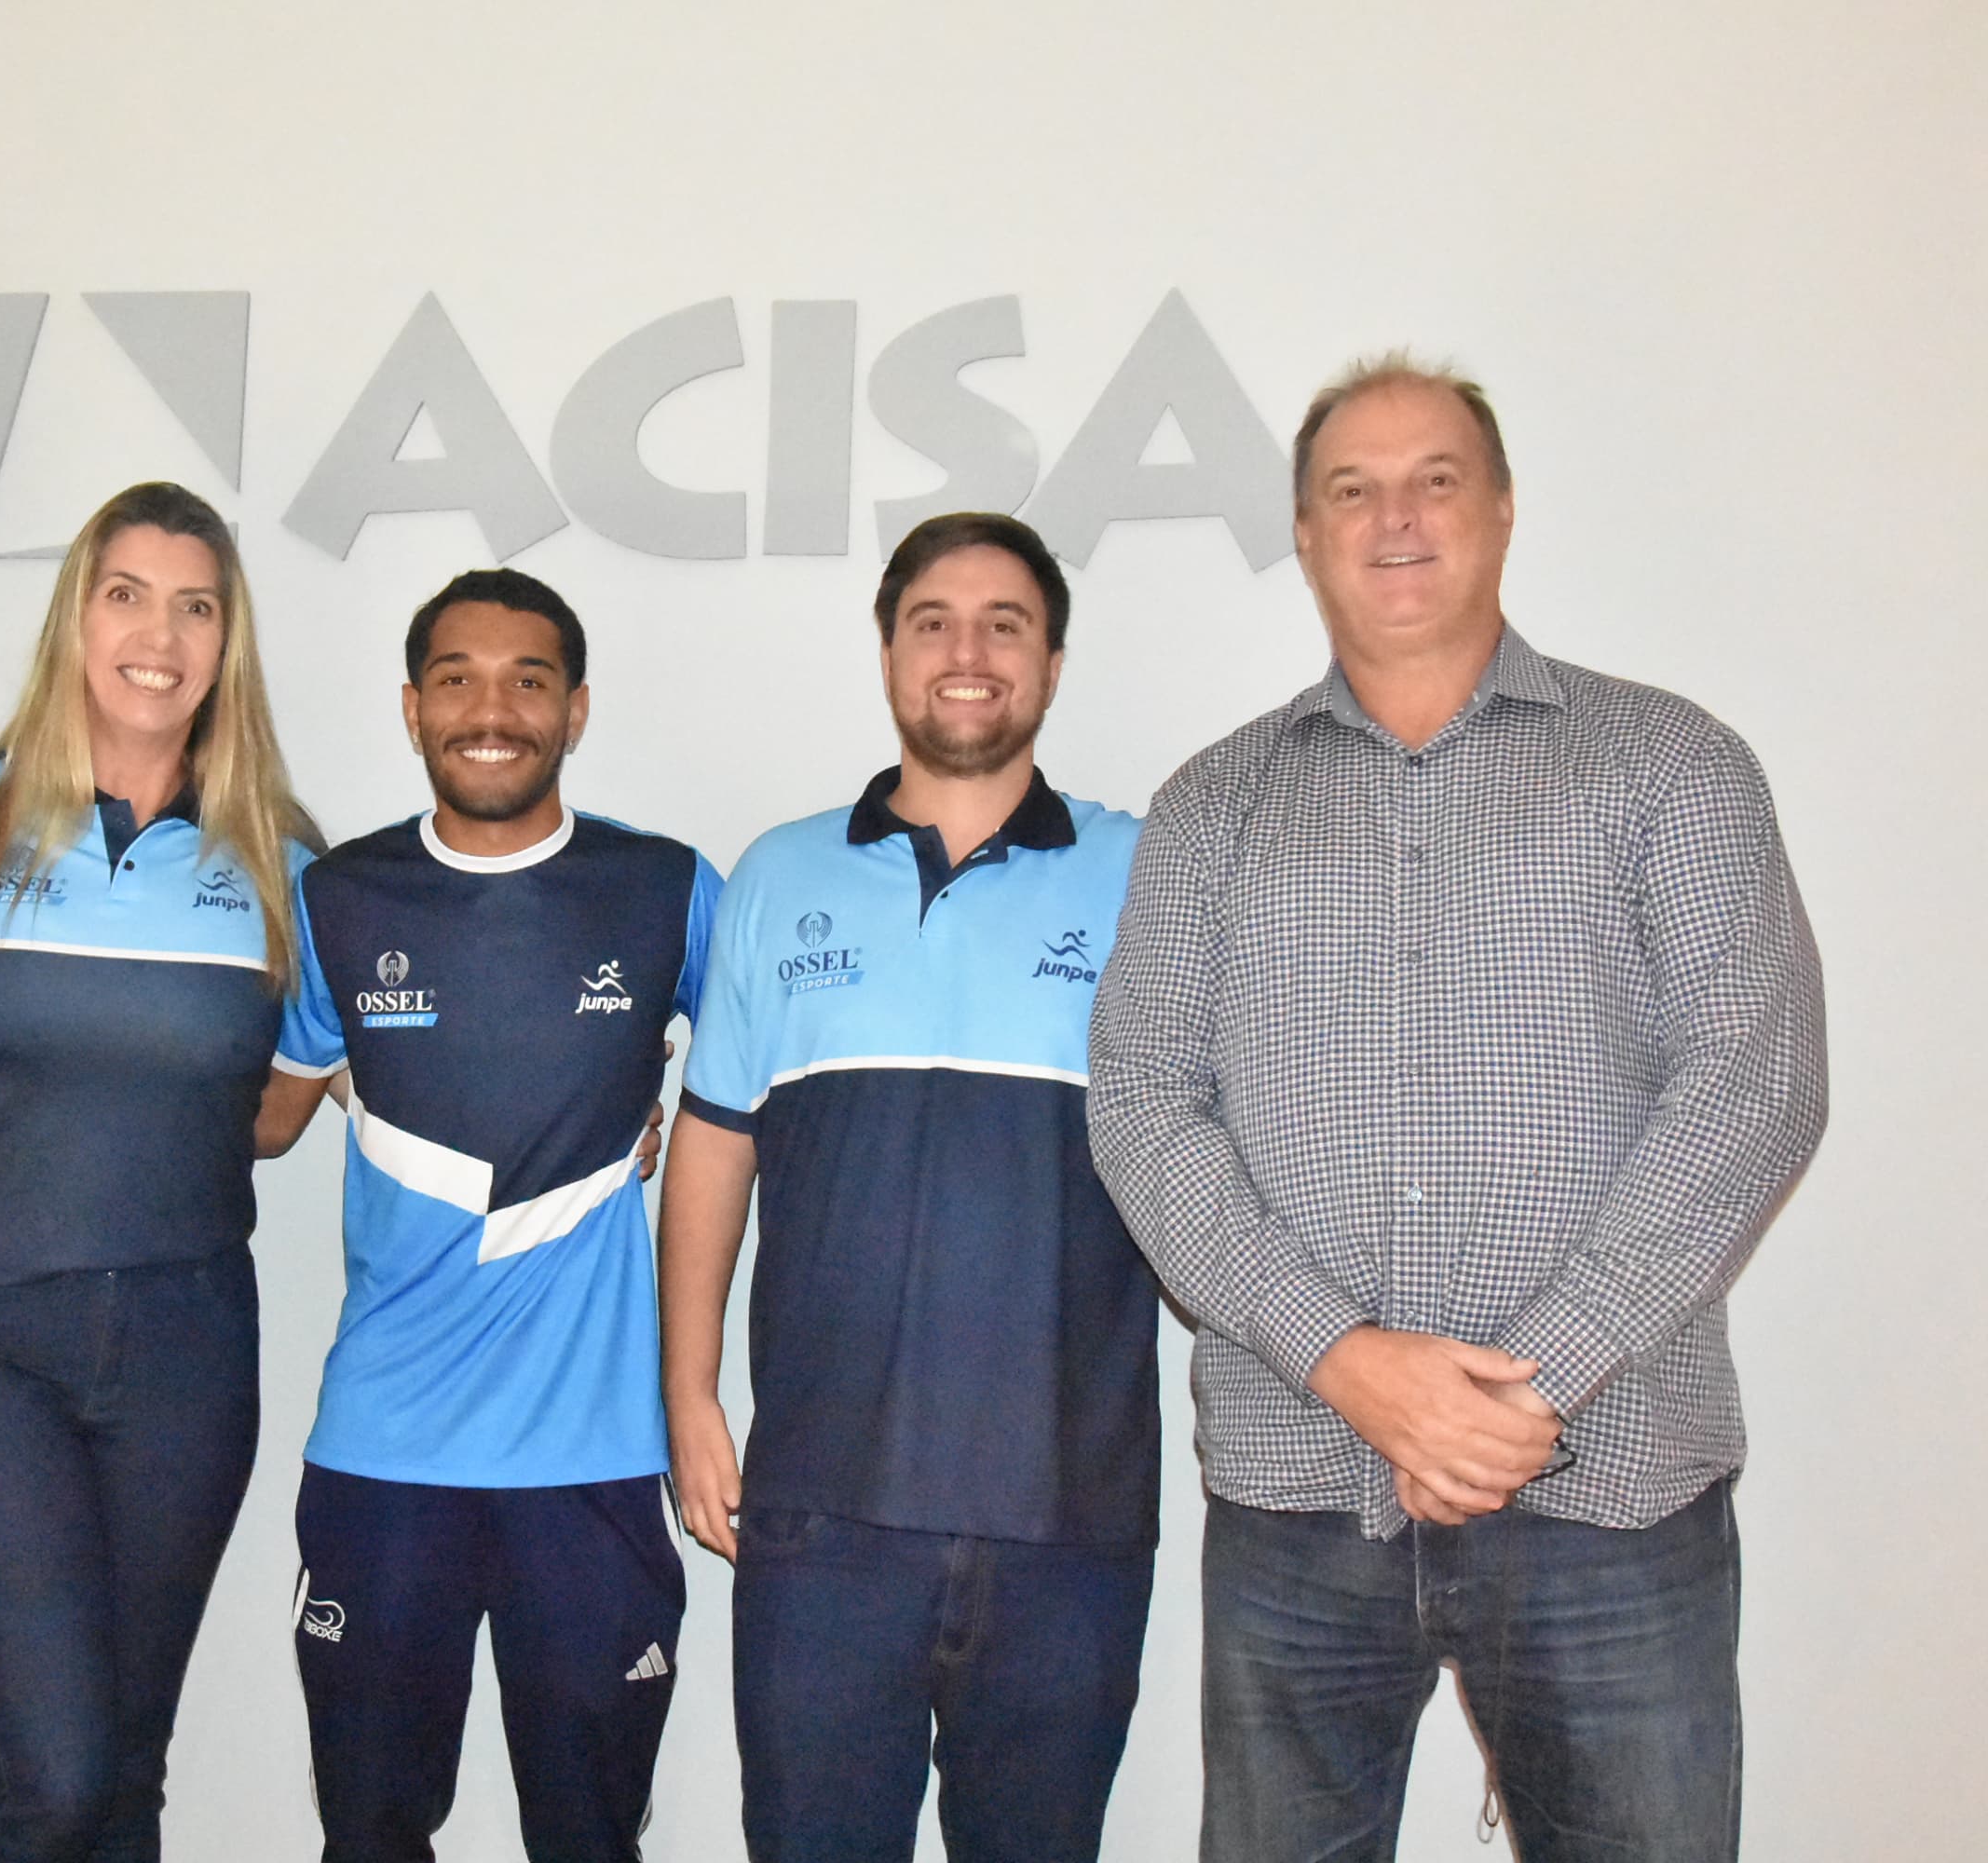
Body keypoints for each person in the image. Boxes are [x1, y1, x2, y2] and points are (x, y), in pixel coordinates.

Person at [1088, 355, 1830, 1861]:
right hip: (1301, 1492)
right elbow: (1145, 1102)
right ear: (1307, 537)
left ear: (1500, 509)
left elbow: (1756, 1079)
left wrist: (1525, 1389)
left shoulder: (1670, 763)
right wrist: (1346, 1359)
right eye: (1352, 491)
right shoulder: (1212, 806)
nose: (1397, 519)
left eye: (1435, 481)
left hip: (1613, 1485)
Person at [658, 512, 1160, 1863]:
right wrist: (688, 1394)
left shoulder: (1147, 874)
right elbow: (713, 1146)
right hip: (821, 1517)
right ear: (889, 654)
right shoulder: (780, 875)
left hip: (1069, 1518)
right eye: (933, 621)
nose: (968, 651)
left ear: (1052, 664)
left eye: (1007, 624)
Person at [0, 482, 320, 1863]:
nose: (158, 637)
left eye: (195, 607)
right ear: (76, 617)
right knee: (49, 1779)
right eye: (126, 595)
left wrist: (608, 1120)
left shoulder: (284, 862)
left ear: (227, 642)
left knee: (123, 1777)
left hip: (186, 1349)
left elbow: (297, 1106)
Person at [257, 568, 719, 1863]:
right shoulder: (339, 897)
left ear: (576, 710)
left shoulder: (667, 888)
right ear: (413, 709)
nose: (492, 710)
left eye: (528, 681)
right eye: (457, 680)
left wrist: (658, 1123)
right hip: (384, 1458)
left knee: (588, 1838)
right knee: (370, 1833)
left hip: (592, 1460)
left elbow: (759, 1099)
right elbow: (262, 1117)